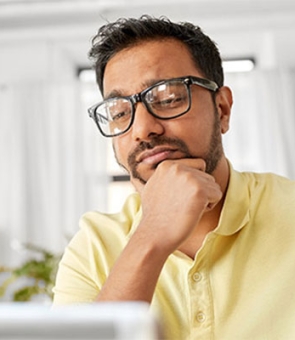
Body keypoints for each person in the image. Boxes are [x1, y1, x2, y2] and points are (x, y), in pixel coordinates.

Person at [53, 15, 295, 340]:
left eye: (168, 98)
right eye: (120, 111)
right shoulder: (93, 245)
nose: (141, 129)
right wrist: (151, 236)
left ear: (222, 109)